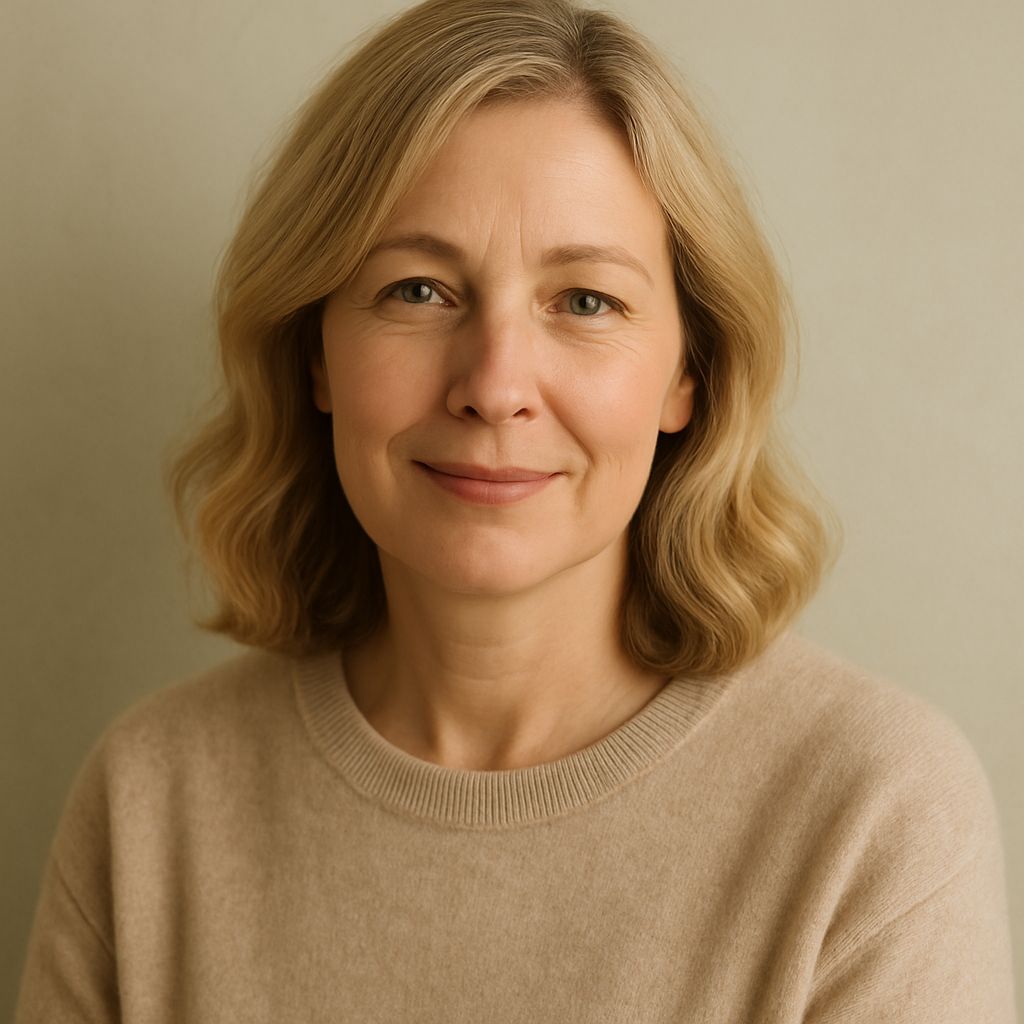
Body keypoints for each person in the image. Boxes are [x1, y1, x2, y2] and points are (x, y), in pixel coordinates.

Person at [15, 0, 1015, 1019]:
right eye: (416, 290)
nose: (494, 385)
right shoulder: (151, 800)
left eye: (584, 301)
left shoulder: (873, 809)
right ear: (314, 352)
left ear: (688, 377)